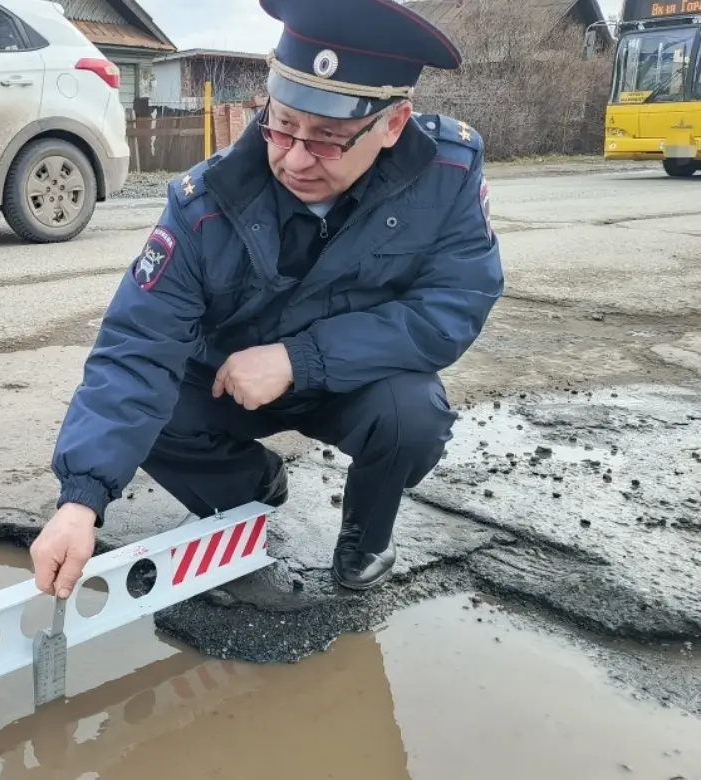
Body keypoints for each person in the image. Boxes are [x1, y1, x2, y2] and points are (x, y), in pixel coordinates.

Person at [30, 0, 504, 599]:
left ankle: (366, 534)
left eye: (330, 139)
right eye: (282, 125)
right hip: (230, 381)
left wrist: (299, 360)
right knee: (155, 414)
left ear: (392, 124)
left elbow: (456, 303)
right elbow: (138, 345)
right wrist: (81, 500)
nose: (296, 158)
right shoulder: (206, 200)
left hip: (350, 381)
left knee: (414, 415)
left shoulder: (447, 172)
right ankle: (248, 490)